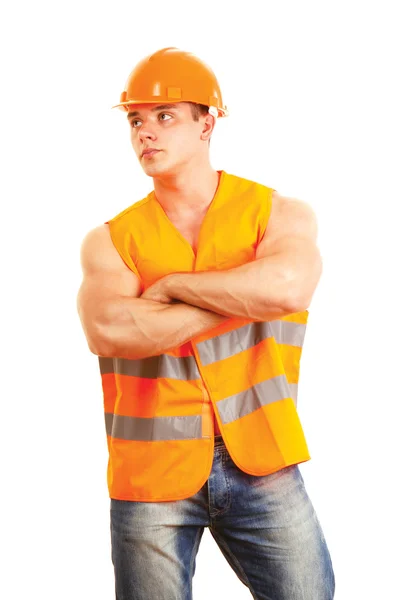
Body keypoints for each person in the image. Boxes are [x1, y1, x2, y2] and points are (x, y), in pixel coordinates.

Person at [77, 47, 335, 600]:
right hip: (150, 474)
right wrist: (246, 294)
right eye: (136, 119)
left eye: (165, 115)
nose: (146, 131)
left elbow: (288, 287)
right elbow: (107, 328)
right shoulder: (110, 240)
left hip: (262, 458)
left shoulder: (278, 213)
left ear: (207, 123)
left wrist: (167, 290)